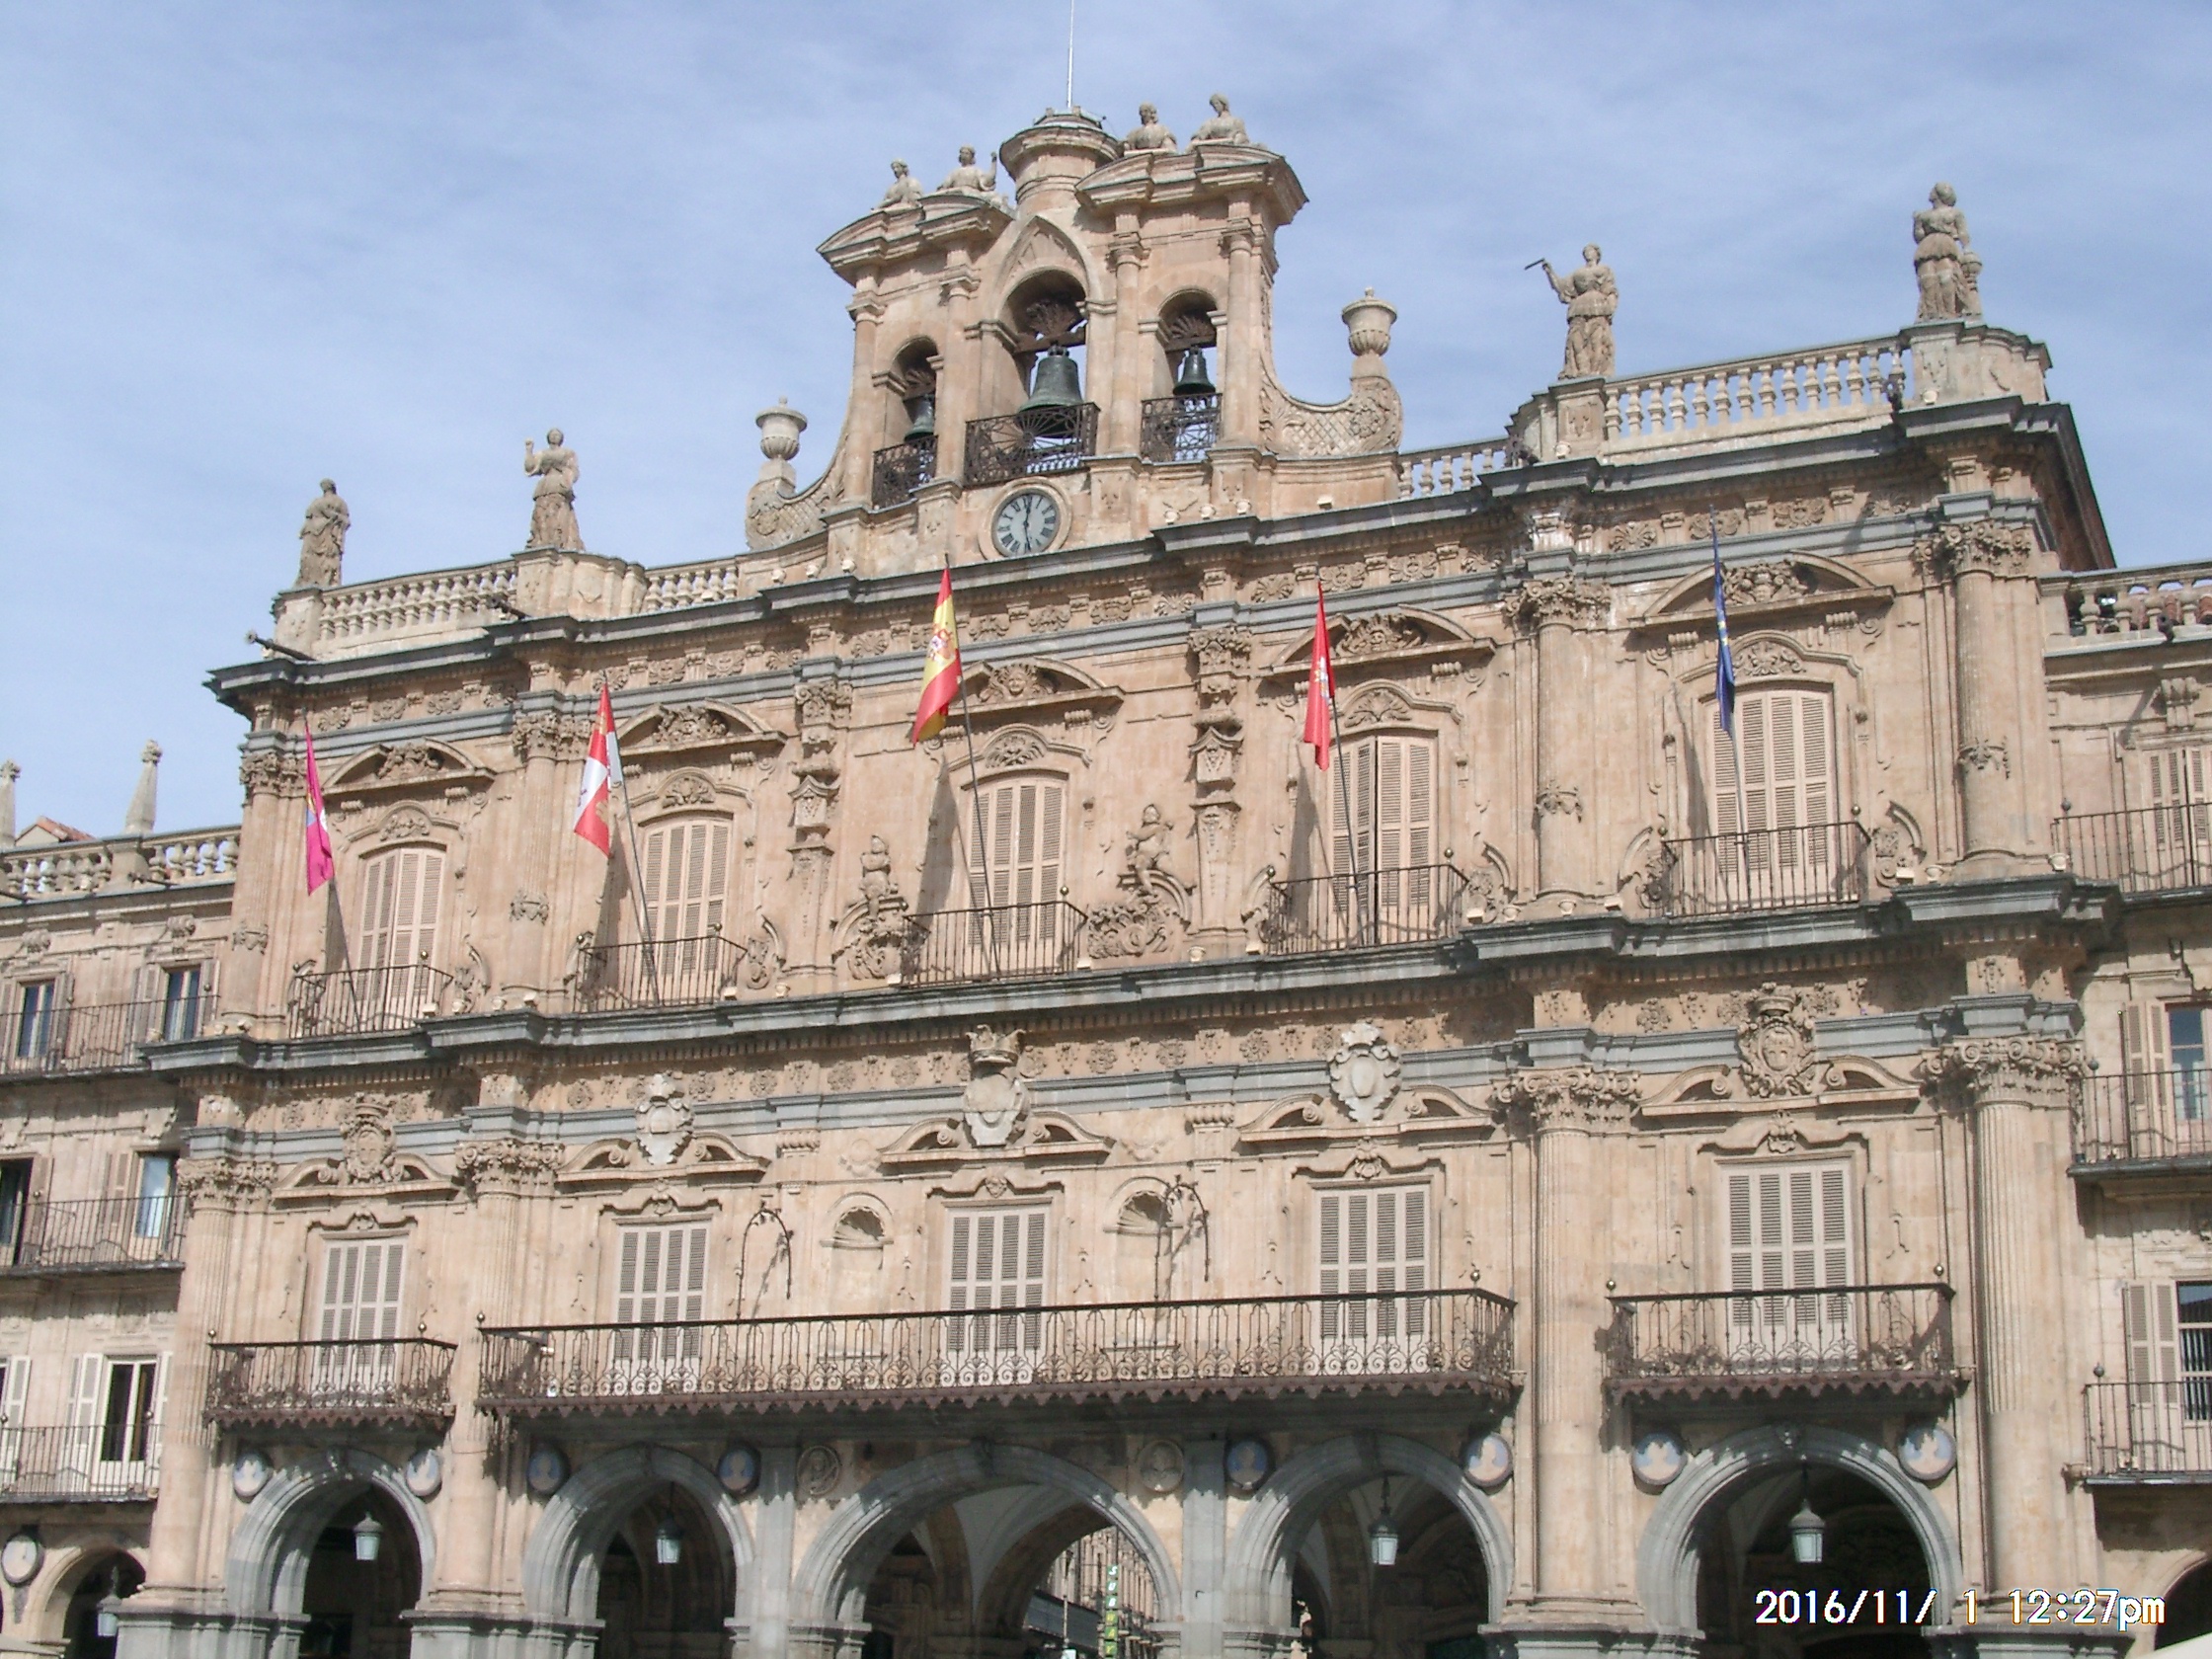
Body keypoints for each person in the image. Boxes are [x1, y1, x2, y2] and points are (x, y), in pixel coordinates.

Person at [1540, 244, 1618, 379]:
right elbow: (1562, 287)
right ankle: (1581, 369)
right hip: (1578, 307)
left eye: (1590, 251)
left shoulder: (1604, 270)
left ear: (1597, 254)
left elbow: (1610, 290)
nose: (1587, 253)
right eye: (1585, 251)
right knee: (1576, 339)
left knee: (1597, 340)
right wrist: (1550, 272)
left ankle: (1595, 371)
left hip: (1598, 305)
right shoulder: (1577, 273)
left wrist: (1611, 308)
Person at [523, 429, 583, 550]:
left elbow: (574, 470)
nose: (554, 437)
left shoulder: (568, 453)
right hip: (545, 485)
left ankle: (558, 539)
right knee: (541, 513)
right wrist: (529, 450)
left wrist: (566, 479)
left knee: (557, 513)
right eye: (552, 435)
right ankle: (541, 539)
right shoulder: (542, 454)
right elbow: (530, 467)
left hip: (559, 484)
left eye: (557, 435)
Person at [296, 479, 349, 588]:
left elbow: (346, 520)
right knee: (308, 557)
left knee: (328, 557)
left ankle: (328, 580)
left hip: (327, 531)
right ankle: (308, 580)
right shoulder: (316, 501)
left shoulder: (339, 501)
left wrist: (334, 517)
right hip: (312, 531)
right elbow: (308, 515)